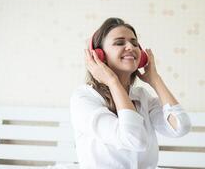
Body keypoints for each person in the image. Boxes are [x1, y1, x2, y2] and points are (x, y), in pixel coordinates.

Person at [70, 17, 191, 169]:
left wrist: (156, 80)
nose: (131, 47)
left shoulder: (142, 96)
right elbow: (133, 138)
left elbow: (180, 127)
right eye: (119, 42)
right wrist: (113, 81)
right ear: (99, 55)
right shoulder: (84, 98)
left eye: (135, 43)